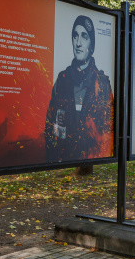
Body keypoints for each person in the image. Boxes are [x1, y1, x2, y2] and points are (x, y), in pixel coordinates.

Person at [44, 15, 114, 163]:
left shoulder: (102, 83)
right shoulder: (62, 80)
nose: (79, 43)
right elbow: (51, 125)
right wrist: (52, 160)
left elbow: (108, 128)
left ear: (92, 44)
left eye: (84, 37)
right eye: (75, 36)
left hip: (92, 159)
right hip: (63, 162)